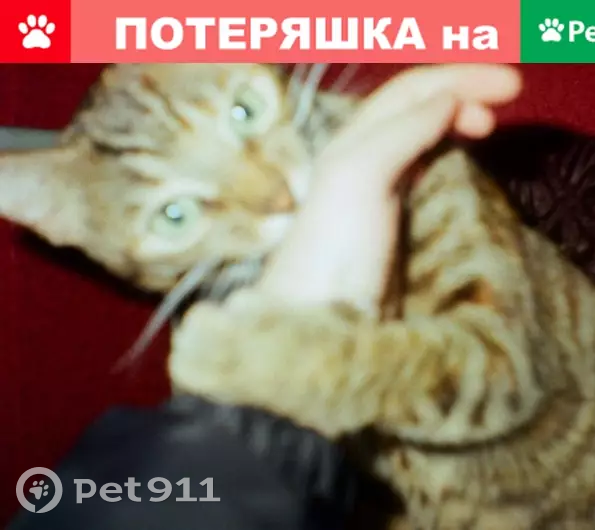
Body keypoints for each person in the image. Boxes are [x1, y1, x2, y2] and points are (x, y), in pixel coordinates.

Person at [7, 64, 522, 530]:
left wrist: (285, 367)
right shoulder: (221, 327)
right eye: (175, 214)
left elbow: (508, 385)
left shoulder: (428, 174)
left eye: (244, 111)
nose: (273, 193)